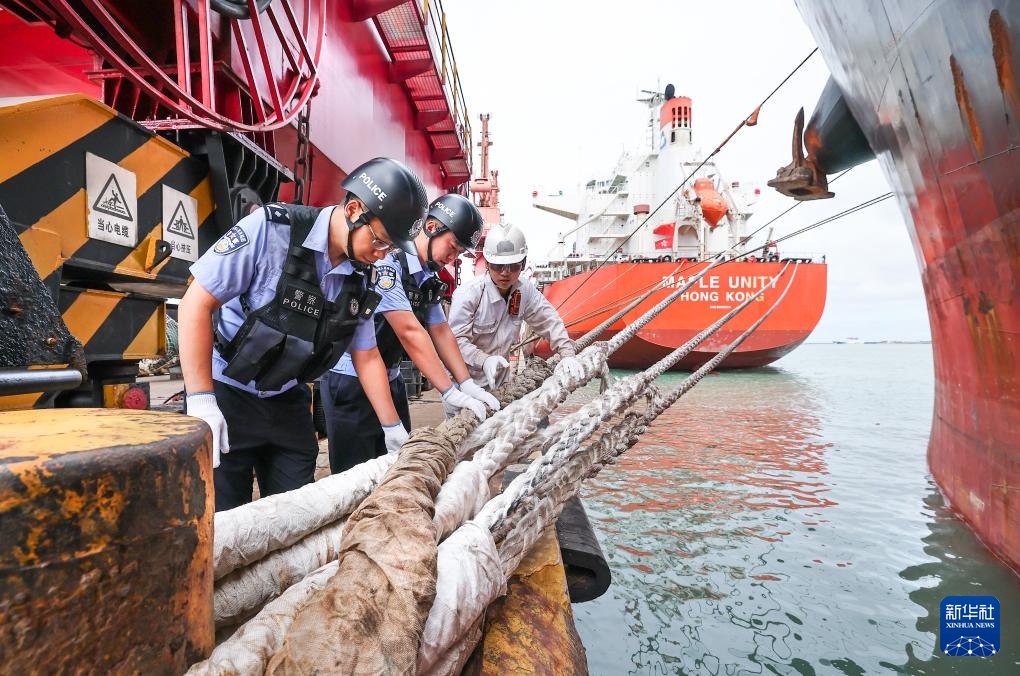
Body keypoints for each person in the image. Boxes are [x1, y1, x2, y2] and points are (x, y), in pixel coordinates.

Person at [178, 157, 428, 511]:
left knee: (296, 516)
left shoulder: (361, 277)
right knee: (222, 522)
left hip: (288, 401)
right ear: (355, 209)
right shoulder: (270, 230)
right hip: (229, 396)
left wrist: (392, 428)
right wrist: (202, 400)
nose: (381, 255)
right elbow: (194, 304)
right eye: (380, 241)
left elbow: (366, 355)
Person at [324, 193, 500, 473]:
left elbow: (440, 331)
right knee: (355, 474)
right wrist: (448, 390)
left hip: (392, 379)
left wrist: (466, 384)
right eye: (452, 247)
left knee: (398, 468)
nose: (452, 258)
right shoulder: (387, 264)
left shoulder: (426, 278)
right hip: (351, 383)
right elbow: (409, 331)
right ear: (431, 228)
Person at [447, 225, 584, 413]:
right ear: (486, 263)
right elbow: (454, 342)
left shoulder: (525, 291)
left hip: (501, 386)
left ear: (523, 262)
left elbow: (549, 320)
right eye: (498, 266)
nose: (505, 272)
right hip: (464, 385)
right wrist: (484, 360)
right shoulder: (468, 295)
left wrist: (567, 353)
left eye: (513, 266)